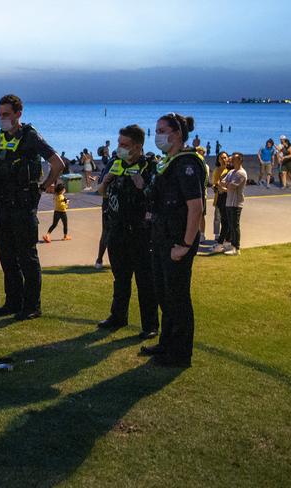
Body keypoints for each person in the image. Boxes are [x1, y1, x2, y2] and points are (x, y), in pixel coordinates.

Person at [0, 94, 64, 320]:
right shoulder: (0, 137)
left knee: (27, 257)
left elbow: (57, 163)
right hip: (3, 205)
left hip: (23, 206)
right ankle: (13, 302)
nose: (2, 119)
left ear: (18, 114)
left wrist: (42, 187)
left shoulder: (30, 137)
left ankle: (32, 306)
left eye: (6, 115)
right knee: (7, 257)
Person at [141, 113, 205, 368]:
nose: (156, 135)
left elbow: (196, 207)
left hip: (178, 242)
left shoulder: (187, 164)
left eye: (161, 130)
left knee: (177, 297)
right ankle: (166, 344)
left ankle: (180, 354)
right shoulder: (167, 162)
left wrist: (186, 245)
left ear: (177, 133)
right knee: (163, 295)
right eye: (155, 130)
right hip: (161, 238)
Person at [96, 125, 159, 339]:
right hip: (117, 229)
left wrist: (143, 186)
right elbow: (102, 193)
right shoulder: (115, 163)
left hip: (141, 232)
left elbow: (157, 198)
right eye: (119, 144)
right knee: (120, 277)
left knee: (145, 281)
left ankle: (149, 325)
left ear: (138, 146)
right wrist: (105, 182)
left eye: (125, 145)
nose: (119, 148)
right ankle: (118, 316)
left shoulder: (150, 167)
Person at [222, 152, 247, 256]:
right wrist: (226, 184)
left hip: (236, 203)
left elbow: (232, 186)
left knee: (235, 225)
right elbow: (222, 181)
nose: (231, 160)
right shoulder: (232, 171)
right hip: (229, 201)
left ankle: (236, 248)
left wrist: (226, 185)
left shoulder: (241, 173)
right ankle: (231, 244)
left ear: (240, 160)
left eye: (234, 159)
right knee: (231, 225)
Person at [208, 152, 232, 253]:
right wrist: (216, 187)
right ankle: (218, 236)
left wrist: (221, 186)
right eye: (221, 158)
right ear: (218, 160)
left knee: (227, 220)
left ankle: (226, 240)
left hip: (229, 197)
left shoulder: (230, 169)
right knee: (219, 218)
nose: (223, 159)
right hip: (219, 197)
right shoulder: (217, 170)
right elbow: (214, 184)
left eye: (225, 157)